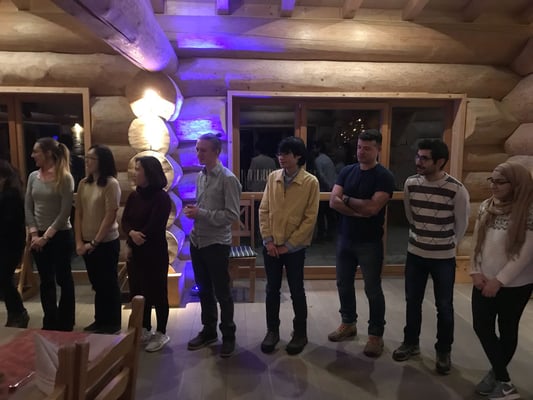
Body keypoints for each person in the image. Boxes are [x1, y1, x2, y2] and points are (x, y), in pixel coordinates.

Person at [392, 139, 470, 375]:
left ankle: (443, 351)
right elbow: (411, 215)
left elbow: (462, 224)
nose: (419, 161)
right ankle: (411, 343)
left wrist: (447, 245)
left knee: (444, 306)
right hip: (416, 253)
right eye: (418, 156)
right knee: (412, 301)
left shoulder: (456, 189)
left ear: (440, 161)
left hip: (443, 257)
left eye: (425, 158)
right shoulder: (411, 183)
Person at [328, 129, 395, 358]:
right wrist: (357, 211)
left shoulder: (384, 176)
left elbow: (372, 208)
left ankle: (376, 335)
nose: (361, 152)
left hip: (370, 242)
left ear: (378, 149)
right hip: (345, 238)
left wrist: (347, 199)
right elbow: (333, 201)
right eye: (359, 147)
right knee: (343, 284)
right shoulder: (347, 171)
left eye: (367, 148)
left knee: (372, 289)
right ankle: (348, 323)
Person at [469, 162, 533, 399]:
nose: (494, 186)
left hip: (515, 284)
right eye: (492, 180)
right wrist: (475, 271)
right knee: (481, 326)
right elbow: (477, 241)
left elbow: (525, 254)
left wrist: (499, 281)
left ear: (516, 184)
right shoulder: (487, 205)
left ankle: (499, 378)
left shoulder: (528, 211)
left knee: (507, 329)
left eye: (500, 182)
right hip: (483, 279)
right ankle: (502, 378)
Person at [259, 136, 319, 355]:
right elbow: (264, 210)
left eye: (286, 154)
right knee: (271, 289)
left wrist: (290, 245)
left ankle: (300, 333)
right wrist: (268, 240)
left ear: (298, 156)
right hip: (271, 246)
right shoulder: (273, 177)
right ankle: (272, 331)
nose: (281, 157)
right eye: (279, 153)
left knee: (296, 290)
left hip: (295, 248)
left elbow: (310, 219)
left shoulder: (310, 182)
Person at [184, 133, 242, 358]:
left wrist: (201, 213)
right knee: (204, 290)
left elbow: (232, 215)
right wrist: (195, 212)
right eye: (197, 149)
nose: (199, 153)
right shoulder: (201, 175)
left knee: (223, 292)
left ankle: (228, 336)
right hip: (198, 240)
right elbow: (204, 207)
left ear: (217, 152)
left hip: (216, 243)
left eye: (203, 150)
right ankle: (208, 331)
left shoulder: (228, 179)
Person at [121, 156, 171, 352]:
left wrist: (138, 235)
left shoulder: (161, 197)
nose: (135, 173)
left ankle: (161, 332)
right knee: (138, 290)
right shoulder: (134, 196)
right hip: (136, 251)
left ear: (149, 172)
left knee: (158, 291)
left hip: (154, 251)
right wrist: (131, 234)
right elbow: (125, 220)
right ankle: (144, 327)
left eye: (138, 169)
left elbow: (156, 224)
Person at [25, 137, 75, 331]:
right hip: (37, 236)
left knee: (63, 279)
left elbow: (65, 212)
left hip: (60, 235)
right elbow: (28, 206)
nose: (32, 155)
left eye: (36, 151)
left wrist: (46, 237)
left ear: (47, 154)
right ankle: (50, 321)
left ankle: (66, 322)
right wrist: (34, 234)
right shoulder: (33, 177)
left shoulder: (65, 177)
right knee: (46, 280)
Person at [75, 145, 121, 334]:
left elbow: (110, 215)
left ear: (102, 161)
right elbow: (78, 213)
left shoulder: (111, 184)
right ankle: (100, 320)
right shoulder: (83, 184)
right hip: (86, 241)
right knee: (97, 284)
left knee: (108, 283)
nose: (87, 161)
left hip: (106, 242)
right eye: (86, 158)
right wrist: (79, 241)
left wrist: (95, 242)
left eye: (91, 158)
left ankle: (113, 323)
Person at [0, 160, 29, 328]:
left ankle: (19, 312)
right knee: (4, 279)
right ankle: (15, 312)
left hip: (10, 244)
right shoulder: (6, 193)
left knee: (4, 278)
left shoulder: (10, 195)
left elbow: (9, 222)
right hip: (7, 243)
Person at [311, 141, 337, 240]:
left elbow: (321, 175)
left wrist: (328, 186)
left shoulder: (318, 160)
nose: (313, 150)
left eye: (314, 148)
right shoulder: (328, 159)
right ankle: (330, 234)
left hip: (324, 189)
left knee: (321, 214)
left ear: (319, 148)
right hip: (331, 188)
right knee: (329, 214)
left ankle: (321, 235)